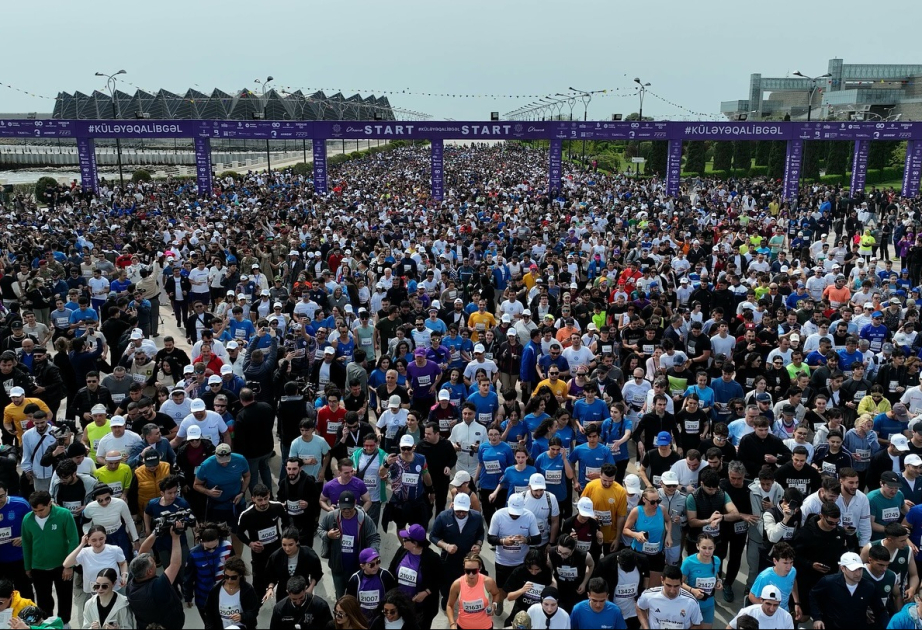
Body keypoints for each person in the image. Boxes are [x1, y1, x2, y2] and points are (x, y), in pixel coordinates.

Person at [21, 490, 79, 628]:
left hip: (61, 565)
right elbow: (27, 544)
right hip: (39, 567)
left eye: (41, 510)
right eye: (35, 511)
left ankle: (64, 622)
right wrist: (28, 567)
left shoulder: (64, 514)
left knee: (64, 596)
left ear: (49, 504)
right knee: (43, 599)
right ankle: (47, 624)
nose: (38, 513)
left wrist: (69, 566)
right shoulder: (27, 520)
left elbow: (73, 540)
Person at [318, 490, 381, 599]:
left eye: (349, 508)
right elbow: (320, 529)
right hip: (337, 566)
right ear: (338, 504)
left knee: (355, 595)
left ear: (355, 503)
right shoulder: (331, 516)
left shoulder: (364, 519)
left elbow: (374, 537)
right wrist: (328, 535)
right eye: (343, 508)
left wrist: (371, 554)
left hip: (357, 566)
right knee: (341, 596)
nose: (346, 511)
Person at [62, 525, 128, 628]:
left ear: (105, 537)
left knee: (118, 619)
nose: (98, 543)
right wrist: (81, 545)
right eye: (94, 540)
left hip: (115, 589)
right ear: (88, 540)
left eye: (101, 539)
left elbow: (123, 563)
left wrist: (124, 575)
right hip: (95, 592)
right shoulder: (84, 553)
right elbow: (66, 564)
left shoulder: (114, 550)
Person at [126, 518, 186, 629]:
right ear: (149, 571)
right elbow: (175, 564)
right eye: (153, 562)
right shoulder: (157, 588)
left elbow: (142, 552)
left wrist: (155, 533)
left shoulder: (133, 579)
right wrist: (176, 537)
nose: (153, 558)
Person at [429, 493, 485, 610]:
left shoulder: (476, 517)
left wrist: (478, 545)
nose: (460, 514)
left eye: (464, 511)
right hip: (449, 558)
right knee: (446, 584)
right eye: (458, 511)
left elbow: (480, 533)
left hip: (469, 558)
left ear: (469, 507)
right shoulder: (443, 517)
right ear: (453, 506)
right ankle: (448, 600)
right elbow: (433, 536)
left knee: (471, 583)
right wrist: (446, 545)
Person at [487, 492, 541, 612]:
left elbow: (538, 538)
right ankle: (499, 601)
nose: (515, 516)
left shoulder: (529, 516)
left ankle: (518, 608)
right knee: (502, 588)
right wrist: (503, 541)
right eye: (512, 513)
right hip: (503, 561)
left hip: (521, 561)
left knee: (521, 589)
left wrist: (526, 540)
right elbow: (490, 538)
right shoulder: (498, 515)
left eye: (518, 514)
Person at [809, 551, 889, 629]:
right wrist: (817, 618)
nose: (858, 574)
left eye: (860, 569)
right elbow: (813, 597)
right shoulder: (828, 582)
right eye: (853, 570)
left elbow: (880, 611)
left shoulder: (868, 587)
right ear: (843, 568)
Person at [237, 483, 289, 596]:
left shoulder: (277, 507)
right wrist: (250, 543)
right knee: (259, 585)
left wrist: (285, 537)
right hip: (259, 554)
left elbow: (287, 521)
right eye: (260, 500)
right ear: (253, 498)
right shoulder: (246, 515)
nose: (263, 503)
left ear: (269, 495)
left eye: (266, 499)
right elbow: (239, 532)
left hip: (277, 550)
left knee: (283, 578)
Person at [388, 523, 441, 627]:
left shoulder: (432, 558)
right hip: (400, 606)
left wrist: (426, 592)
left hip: (421, 610)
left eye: (406, 539)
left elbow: (441, 579)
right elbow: (391, 572)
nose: (403, 539)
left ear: (415, 543)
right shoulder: (402, 550)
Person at [181, 521, 234, 620]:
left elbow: (236, 568)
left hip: (227, 594)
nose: (212, 550)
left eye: (214, 547)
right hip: (204, 597)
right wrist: (188, 597)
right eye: (207, 548)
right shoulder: (193, 554)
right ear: (201, 541)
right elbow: (188, 577)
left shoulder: (227, 547)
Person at [264, 528, 324, 604]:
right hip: (283, 594)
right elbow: (271, 575)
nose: (287, 548)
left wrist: (310, 588)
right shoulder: (276, 556)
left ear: (297, 542)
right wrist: (270, 588)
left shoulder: (308, 554)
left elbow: (317, 572)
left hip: (303, 592)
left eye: (290, 544)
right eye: (284, 545)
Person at [445, 552, 502, 630]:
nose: (471, 574)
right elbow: (449, 606)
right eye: (467, 571)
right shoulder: (457, 584)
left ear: (480, 568)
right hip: (463, 627)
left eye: (474, 571)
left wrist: (494, 605)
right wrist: (452, 624)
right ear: (464, 569)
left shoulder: (488, 582)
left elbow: (496, 593)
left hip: (485, 627)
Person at [204, 556, 262, 630]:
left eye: (233, 578)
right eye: (226, 576)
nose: (229, 580)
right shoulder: (216, 590)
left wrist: (242, 616)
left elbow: (254, 611)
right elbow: (209, 612)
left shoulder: (247, 590)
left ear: (240, 575)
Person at [636, 565, 701, 629]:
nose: (672, 591)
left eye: (676, 586)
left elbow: (697, 624)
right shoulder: (649, 595)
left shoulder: (691, 601)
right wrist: (646, 627)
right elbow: (640, 607)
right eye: (668, 585)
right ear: (662, 580)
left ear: (681, 582)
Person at [679, 533, 722, 629]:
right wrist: (693, 590)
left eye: (710, 548)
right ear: (697, 546)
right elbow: (678, 583)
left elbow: (715, 573)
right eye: (704, 548)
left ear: (714, 547)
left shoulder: (716, 560)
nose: (707, 552)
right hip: (692, 603)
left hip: (709, 603)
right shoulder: (688, 562)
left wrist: (718, 581)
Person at [345, 547, 397, 624]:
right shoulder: (355, 579)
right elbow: (349, 602)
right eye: (371, 564)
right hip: (363, 620)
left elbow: (395, 596)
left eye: (378, 562)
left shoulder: (385, 576)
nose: (376, 566)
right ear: (362, 566)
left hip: (382, 619)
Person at [0, 483, 34, 601]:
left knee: (24, 590)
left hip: (19, 557)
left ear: (7, 492)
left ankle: (30, 617)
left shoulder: (21, 504)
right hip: (1, 559)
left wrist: (23, 538)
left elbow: (34, 526)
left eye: (1, 496)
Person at [268, 575, 333, 630]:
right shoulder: (279, 609)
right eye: (294, 599)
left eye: (301, 598)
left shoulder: (320, 605)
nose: (298, 602)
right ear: (288, 593)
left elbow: (329, 627)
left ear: (305, 589)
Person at [727, 585, 794, 629]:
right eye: (768, 604)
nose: (772, 608)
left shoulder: (786, 617)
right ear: (761, 600)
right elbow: (730, 627)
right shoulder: (747, 612)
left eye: (775, 605)